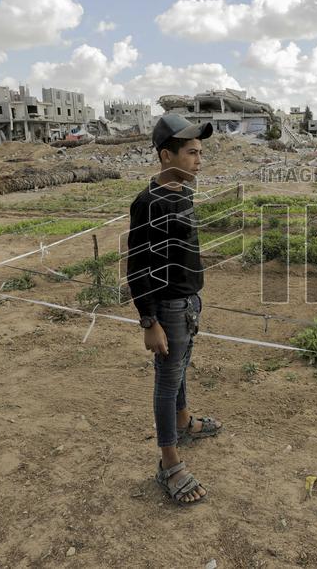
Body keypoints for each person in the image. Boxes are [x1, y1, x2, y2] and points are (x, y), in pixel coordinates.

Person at [126, 113, 222, 505]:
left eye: (200, 152)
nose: (199, 160)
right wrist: (149, 321)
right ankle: (169, 463)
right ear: (167, 155)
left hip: (188, 301)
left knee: (181, 368)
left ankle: (183, 422)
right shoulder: (147, 203)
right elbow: (137, 266)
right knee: (167, 381)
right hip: (166, 307)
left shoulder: (183, 192)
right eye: (191, 153)